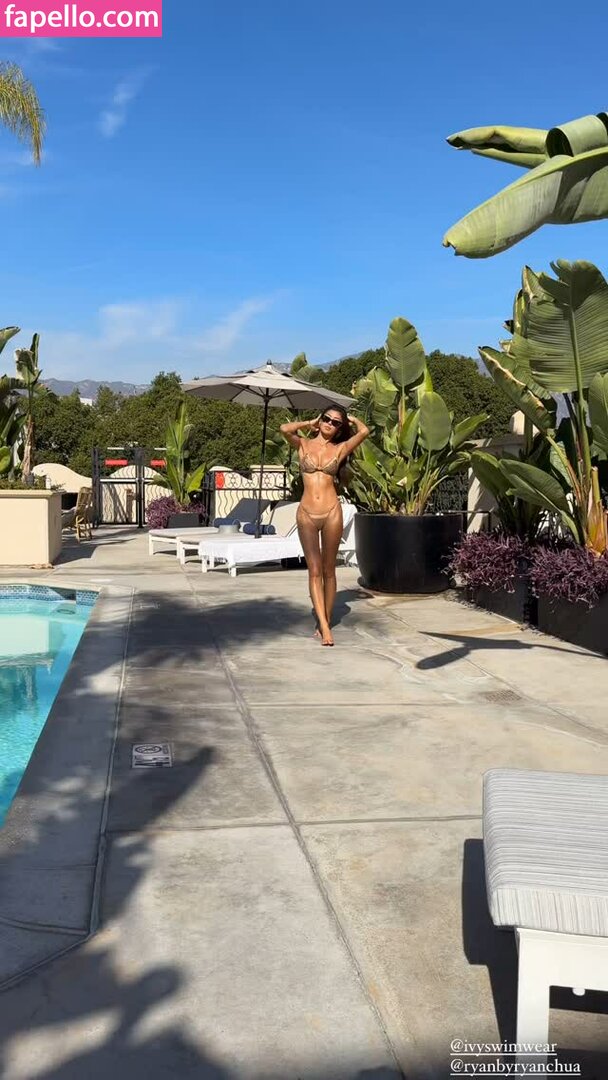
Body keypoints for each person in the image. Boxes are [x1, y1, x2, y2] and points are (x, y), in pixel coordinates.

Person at [280, 405, 369, 646]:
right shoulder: (302, 444)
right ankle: (325, 625)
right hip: (306, 513)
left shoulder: (340, 448)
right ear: (320, 420)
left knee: (330, 570)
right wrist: (308, 423)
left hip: (331, 512)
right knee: (314, 570)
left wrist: (351, 419)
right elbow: (284, 428)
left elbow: (364, 431)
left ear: (340, 428)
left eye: (336, 422)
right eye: (327, 419)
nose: (330, 424)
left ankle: (325, 622)